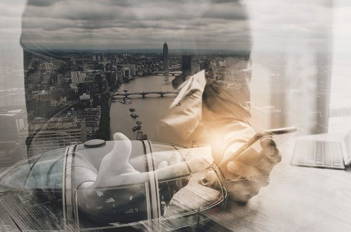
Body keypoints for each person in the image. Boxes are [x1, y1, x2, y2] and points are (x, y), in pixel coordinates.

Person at [20, 0, 281, 208]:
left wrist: (237, 154)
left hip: (191, 206)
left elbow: (228, 116)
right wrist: (85, 189)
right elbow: (51, 139)